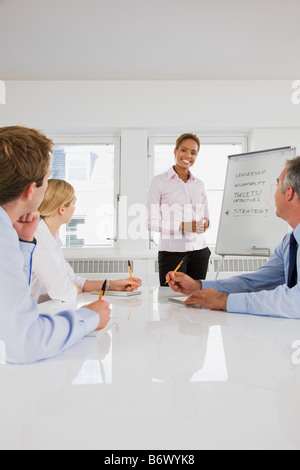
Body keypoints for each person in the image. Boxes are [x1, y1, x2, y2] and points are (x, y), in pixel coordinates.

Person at [0, 126, 111, 364]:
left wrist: (23, 243)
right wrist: (89, 317)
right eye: (47, 180)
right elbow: (25, 343)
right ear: (31, 190)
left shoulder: (11, 229)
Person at [167, 156, 300, 319]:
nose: (273, 191)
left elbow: (296, 301)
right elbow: (256, 282)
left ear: (288, 193)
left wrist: (225, 301)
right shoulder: (290, 243)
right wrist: (198, 285)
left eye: (277, 183)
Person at [31, 179, 142, 304]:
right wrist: (74, 288)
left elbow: (74, 280)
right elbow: (63, 292)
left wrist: (113, 284)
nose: (74, 208)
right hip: (37, 312)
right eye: (73, 204)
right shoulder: (38, 238)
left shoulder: (52, 237)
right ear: (62, 209)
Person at [147, 133, 211, 286]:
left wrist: (206, 223)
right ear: (175, 151)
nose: (188, 155)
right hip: (172, 253)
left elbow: (206, 216)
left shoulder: (199, 184)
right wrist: (183, 225)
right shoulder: (159, 182)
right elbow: (151, 222)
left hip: (200, 251)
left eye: (193, 152)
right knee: (169, 301)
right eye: (184, 150)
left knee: (196, 299)